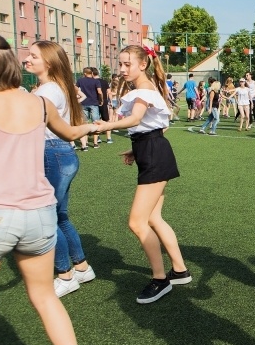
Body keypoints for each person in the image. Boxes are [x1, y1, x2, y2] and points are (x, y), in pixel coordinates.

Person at [0, 31, 102, 345]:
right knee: (44, 296)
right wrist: (96, 125)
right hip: (39, 215)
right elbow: (71, 132)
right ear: (11, 62)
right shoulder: (37, 103)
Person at [95, 45, 192, 304]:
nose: (123, 69)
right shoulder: (146, 89)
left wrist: (108, 125)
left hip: (155, 156)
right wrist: (137, 149)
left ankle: (160, 280)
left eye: (128, 64)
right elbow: (159, 127)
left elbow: (136, 119)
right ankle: (180, 271)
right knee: (154, 218)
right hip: (152, 152)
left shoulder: (143, 90)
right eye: (121, 64)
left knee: (137, 222)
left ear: (143, 64)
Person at [25, 41, 97, 297]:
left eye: (34, 56)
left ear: (49, 62)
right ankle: (82, 267)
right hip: (61, 153)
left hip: (52, 153)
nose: (27, 59)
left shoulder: (47, 92)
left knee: (47, 218)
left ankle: (65, 275)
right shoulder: (54, 88)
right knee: (60, 216)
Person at [75, 67, 102, 151]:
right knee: (96, 123)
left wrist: (78, 97)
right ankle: (95, 143)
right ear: (92, 73)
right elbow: (99, 92)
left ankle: (85, 143)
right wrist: (101, 100)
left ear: (85, 73)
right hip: (94, 103)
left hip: (83, 103)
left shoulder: (80, 81)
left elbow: (75, 89)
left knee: (84, 123)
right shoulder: (96, 81)